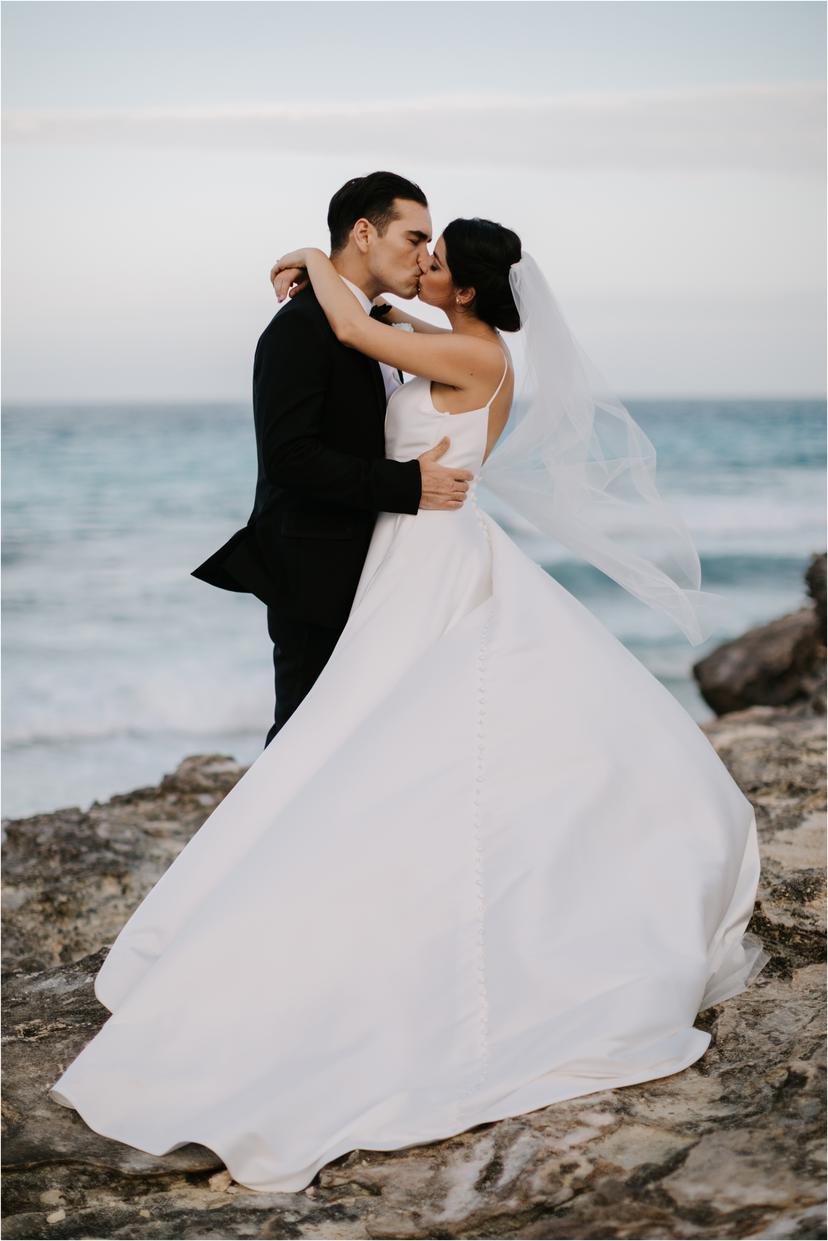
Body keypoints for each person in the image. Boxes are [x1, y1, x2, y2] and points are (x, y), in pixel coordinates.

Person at [47, 215, 770, 1195]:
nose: (421, 264)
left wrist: (313, 261)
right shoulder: (459, 337)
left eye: (434, 258)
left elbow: (356, 334)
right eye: (415, 247)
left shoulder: (468, 350)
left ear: (463, 285)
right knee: (374, 725)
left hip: (434, 553)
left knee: (415, 731)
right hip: (416, 554)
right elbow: (378, 321)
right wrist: (373, 289)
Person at [191, 171, 474, 745]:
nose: (423, 257)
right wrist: (407, 486)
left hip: (378, 569)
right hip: (316, 573)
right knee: (304, 740)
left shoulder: (371, 326)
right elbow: (288, 457)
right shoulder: (300, 328)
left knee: (362, 740)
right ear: (365, 233)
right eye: (414, 239)